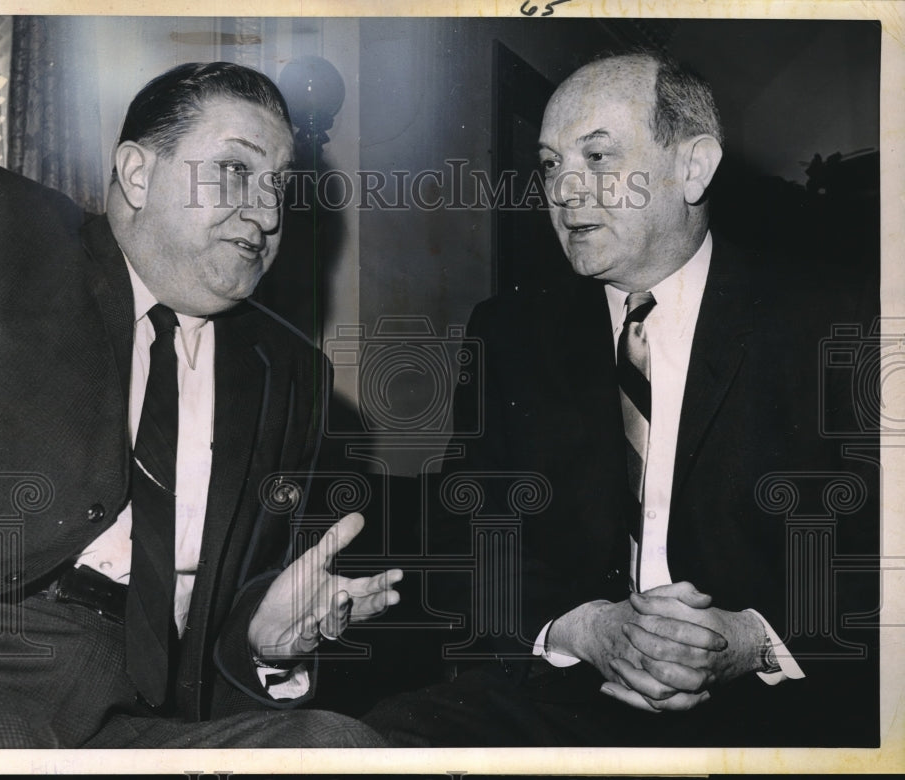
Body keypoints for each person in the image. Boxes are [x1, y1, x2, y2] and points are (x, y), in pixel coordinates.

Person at [363, 51, 879, 746]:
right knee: (360, 743)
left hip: (776, 707)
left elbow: (883, 550)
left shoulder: (837, 320)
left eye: (597, 157)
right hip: (564, 690)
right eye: (549, 165)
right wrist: (584, 627)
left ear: (693, 167)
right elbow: (469, 536)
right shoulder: (511, 332)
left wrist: (750, 639)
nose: (565, 189)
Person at [0, 61, 402, 748]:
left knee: (345, 746)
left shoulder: (291, 376)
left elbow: (228, 604)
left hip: (149, 713)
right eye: (235, 171)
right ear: (137, 174)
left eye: (280, 187)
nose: (268, 214)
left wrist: (264, 637)